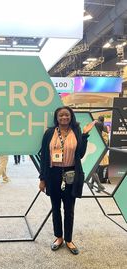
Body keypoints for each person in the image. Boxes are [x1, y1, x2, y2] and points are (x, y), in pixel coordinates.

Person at [39, 106, 95, 255]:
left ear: (71, 116)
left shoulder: (76, 131)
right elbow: (44, 157)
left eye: (67, 115)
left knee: (69, 209)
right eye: (61, 115)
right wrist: (42, 178)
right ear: (56, 118)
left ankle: (69, 239)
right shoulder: (49, 133)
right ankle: (59, 237)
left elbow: (81, 154)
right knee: (55, 208)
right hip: (53, 174)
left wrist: (84, 135)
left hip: (71, 173)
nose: (64, 117)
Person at [90, 116, 109, 192]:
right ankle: (92, 184)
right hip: (102, 149)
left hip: (96, 149)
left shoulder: (97, 125)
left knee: (92, 169)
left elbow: (94, 138)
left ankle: (99, 185)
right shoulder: (105, 127)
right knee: (95, 168)